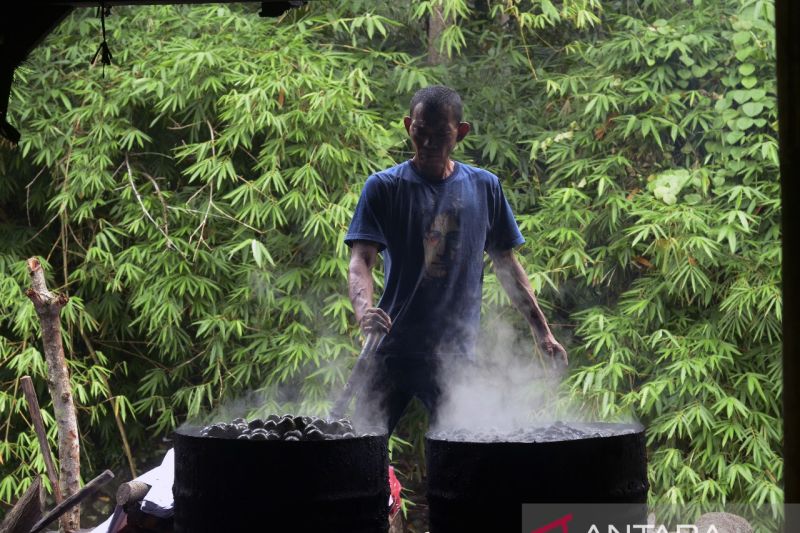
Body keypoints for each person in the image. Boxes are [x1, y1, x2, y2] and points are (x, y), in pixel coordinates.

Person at [344, 85, 567, 434]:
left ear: (460, 133)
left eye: (441, 134)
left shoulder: (484, 187)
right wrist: (363, 312)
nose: (430, 143)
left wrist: (543, 333)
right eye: (421, 132)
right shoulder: (384, 187)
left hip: (456, 356)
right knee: (360, 448)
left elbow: (507, 266)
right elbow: (361, 260)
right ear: (408, 127)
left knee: (459, 457)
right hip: (392, 348)